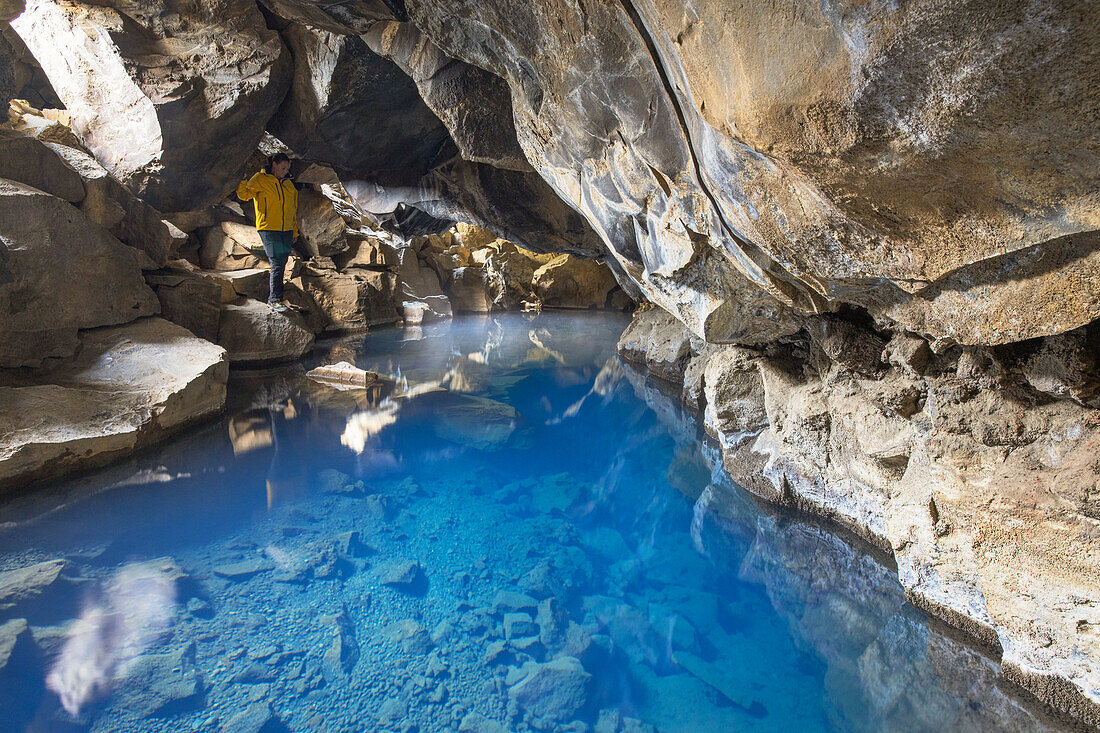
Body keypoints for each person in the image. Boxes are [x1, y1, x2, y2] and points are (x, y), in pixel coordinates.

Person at [236, 153, 300, 311]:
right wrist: (241, 180)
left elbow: (292, 210)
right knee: (277, 262)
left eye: (287, 169)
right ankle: (274, 300)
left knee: (282, 262)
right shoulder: (260, 179)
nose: (285, 171)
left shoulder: (288, 185)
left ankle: (277, 297)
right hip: (268, 228)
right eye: (283, 168)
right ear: (274, 164)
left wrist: (295, 231)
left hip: (286, 230)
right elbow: (244, 195)